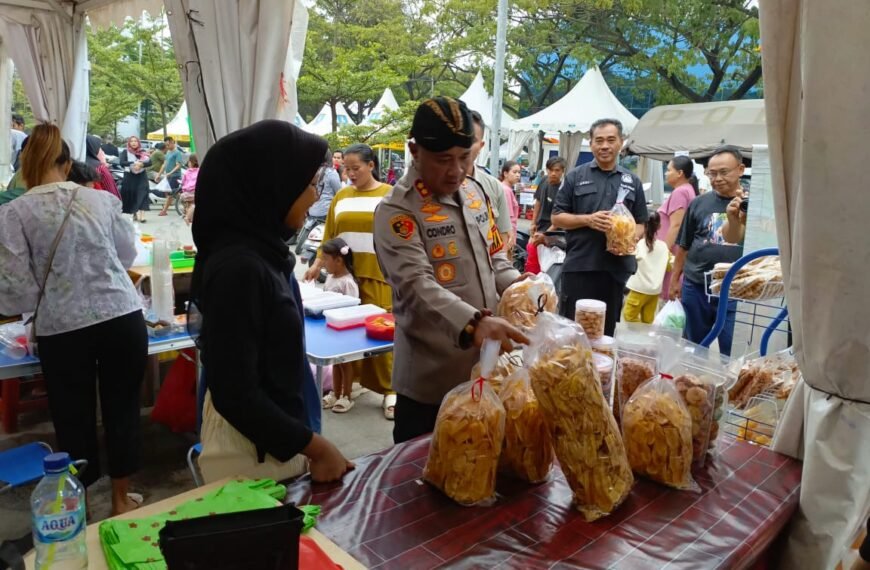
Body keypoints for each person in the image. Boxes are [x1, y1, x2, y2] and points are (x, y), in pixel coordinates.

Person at [191, 119, 353, 484]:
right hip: (250, 452)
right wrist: (317, 447)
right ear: (271, 186)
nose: (314, 195)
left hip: (271, 438)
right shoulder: (240, 269)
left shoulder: (265, 253)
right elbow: (236, 393)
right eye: (308, 185)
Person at [0, 124, 146, 515]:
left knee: (72, 417)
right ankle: (120, 500)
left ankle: (79, 508)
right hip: (122, 315)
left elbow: (17, 291)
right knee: (122, 408)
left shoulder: (13, 213)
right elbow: (126, 256)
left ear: (26, 166)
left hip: (62, 329)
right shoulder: (100, 201)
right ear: (65, 164)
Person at [373, 96, 529, 444]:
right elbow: (416, 286)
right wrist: (475, 323)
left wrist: (522, 287)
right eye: (443, 160)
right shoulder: (397, 212)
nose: (456, 171)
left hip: (486, 372)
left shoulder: (474, 194)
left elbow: (495, 259)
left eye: (464, 157)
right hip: (431, 385)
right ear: (414, 150)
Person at [303, 144, 397, 419]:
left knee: (381, 332)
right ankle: (348, 387)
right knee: (347, 335)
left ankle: (391, 391)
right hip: (345, 278)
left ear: (371, 165)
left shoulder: (389, 196)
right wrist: (318, 264)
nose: (351, 173)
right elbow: (329, 234)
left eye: (356, 168)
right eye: (346, 168)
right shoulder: (341, 197)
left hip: (380, 275)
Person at [552, 118, 648, 336]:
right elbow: (557, 217)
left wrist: (627, 235)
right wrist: (588, 220)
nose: (605, 146)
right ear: (591, 143)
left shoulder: (632, 181)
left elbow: (641, 224)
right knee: (573, 329)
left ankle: (600, 369)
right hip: (580, 266)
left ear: (621, 142)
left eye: (611, 140)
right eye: (599, 140)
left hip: (615, 269)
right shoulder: (576, 176)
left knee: (605, 331)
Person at [669, 146, 746, 356]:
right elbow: (684, 244)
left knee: (733, 349)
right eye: (712, 173)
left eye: (724, 172)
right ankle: (694, 385)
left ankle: (728, 388)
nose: (717, 178)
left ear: (740, 169)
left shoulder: (752, 204)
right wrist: (676, 279)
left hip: (737, 290)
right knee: (693, 348)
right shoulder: (698, 203)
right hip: (697, 286)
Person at [319, 238, 360, 414]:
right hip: (332, 327)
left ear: (339, 260)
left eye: (325, 259)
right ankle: (335, 393)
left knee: (345, 363)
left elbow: (352, 307)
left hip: (345, 330)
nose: (323, 263)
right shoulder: (329, 277)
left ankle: (347, 395)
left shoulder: (348, 282)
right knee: (336, 363)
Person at [468, 111, 512, 252]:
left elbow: (502, 237)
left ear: (481, 146)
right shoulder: (431, 186)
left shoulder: (493, 187)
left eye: (471, 140)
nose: (464, 146)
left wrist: (505, 272)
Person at [657, 156, 699, 300]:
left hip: (671, 253)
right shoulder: (688, 190)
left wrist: (662, 252)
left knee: (668, 298)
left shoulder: (680, 192)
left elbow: (676, 225)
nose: (666, 173)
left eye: (669, 170)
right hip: (676, 253)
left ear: (680, 173)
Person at [623, 212, 670, 324]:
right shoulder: (663, 246)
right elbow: (668, 266)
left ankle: (637, 337)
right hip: (654, 292)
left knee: (629, 316)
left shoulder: (639, 244)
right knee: (648, 320)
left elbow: (629, 262)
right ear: (659, 226)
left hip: (638, 290)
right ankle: (645, 337)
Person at [526, 156, 567, 273]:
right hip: (540, 227)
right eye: (550, 170)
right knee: (532, 257)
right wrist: (533, 223)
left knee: (546, 266)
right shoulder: (543, 180)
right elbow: (538, 201)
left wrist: (545, 235)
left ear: (563, 171)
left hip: (554, 232)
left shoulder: (563, 190)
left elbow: (558, 219)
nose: (553, 173)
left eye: (557, 170)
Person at [119, 136, 151, 222]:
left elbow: (149, 162)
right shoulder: (125, 152)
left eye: (135, 141)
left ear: (138, 143)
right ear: (129, 143)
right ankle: (134, 213)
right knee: (132, 194)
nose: (133, 143)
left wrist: (141, 165)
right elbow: (122, 162)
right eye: (132, 141)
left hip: (141, 176)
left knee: (143, 193)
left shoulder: (143, 152)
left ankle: (142, 216)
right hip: (129, 176)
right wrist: (134, 163)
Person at [307, 148, 341, 221]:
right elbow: (339, 192)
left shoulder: (312, 170)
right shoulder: (331, 172)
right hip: (325, 212)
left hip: (311, 210)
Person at [85, 134, 120, 199]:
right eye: (99, 148)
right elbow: (113, 195)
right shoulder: (100, 168)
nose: (102, 151)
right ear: (94, 148)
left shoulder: (76, 164)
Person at [499, 160, 522, 256]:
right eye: (514, 172)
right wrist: (511, 238)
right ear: (505, 173)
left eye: (519, 172)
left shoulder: (505, 188)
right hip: (506, 234)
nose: (518, 175)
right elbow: (507, 217)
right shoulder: (506, 190)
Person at [157, 137, 184, 216]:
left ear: (173, 142)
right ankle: (186, 206)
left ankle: (164, 211)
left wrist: (170, 173)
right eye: (166, 145)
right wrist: (159, 174)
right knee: (175, 194)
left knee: (170, 194)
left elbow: (178, 165)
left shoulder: (177, 153)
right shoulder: (168, 152)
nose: (167, 146)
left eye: (168, 144)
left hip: (175, 176)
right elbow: (164, 164)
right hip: (169, 176)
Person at [178, 153, 199, 219]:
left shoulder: (187, 172)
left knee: (181, 198)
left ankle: (186, 213)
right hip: (196, 193)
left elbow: (183, 182)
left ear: (191, 162)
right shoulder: (200, 170)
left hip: (188, 193)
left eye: (189, 162)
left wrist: (183, 188)